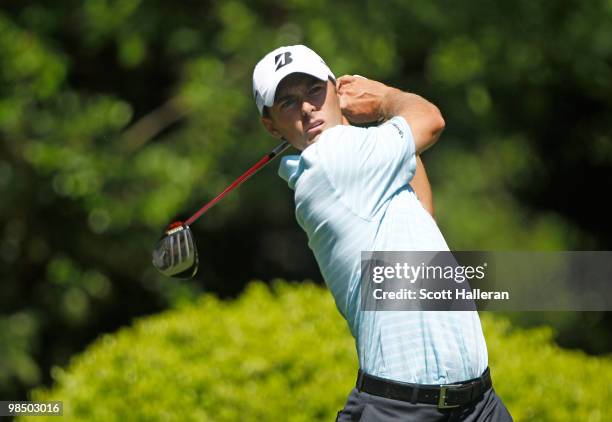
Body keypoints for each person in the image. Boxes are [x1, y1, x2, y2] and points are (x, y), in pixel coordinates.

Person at [252, 45, 513, 421]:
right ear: (271, 125)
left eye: (313, 90)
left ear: (333, 88)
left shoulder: (364, 163)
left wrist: (372, 121)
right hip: (402, 410)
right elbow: (430, 121)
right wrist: (384, 99)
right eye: (287, 103)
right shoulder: (331, 160)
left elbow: (423, 212)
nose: (307, 107)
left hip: (478, 404)